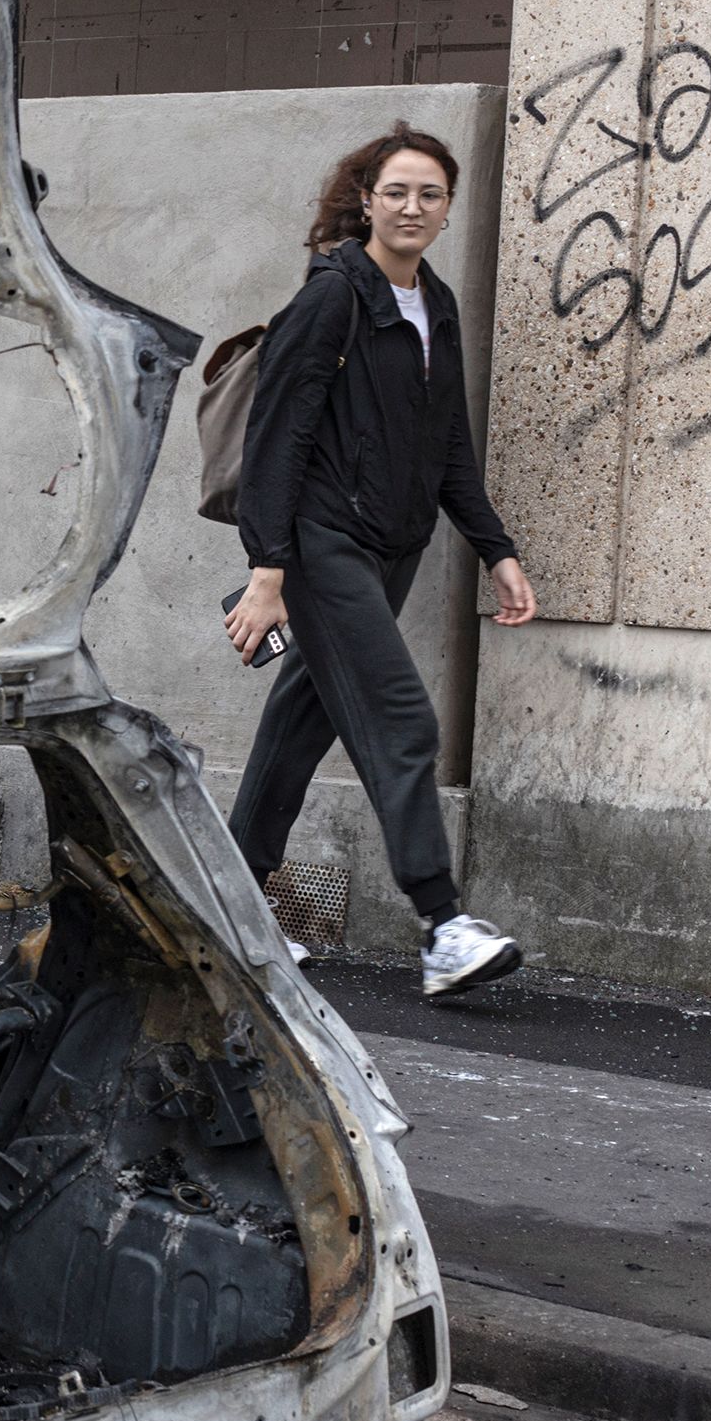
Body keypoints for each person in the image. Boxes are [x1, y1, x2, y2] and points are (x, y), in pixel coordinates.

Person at [223, 123, 538, 997]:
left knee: (299, 725)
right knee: (400, 719)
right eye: (395, 191)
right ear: (367, 200)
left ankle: (230, 914)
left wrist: (495, 550)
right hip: (323, 546)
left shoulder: (434, 304)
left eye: (429, 194)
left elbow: (449, 449)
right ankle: (443, 925)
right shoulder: (335, 298)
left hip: (391, 548)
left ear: (446, 208)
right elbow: (275, 435)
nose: (411, 207)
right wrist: (269, 567)